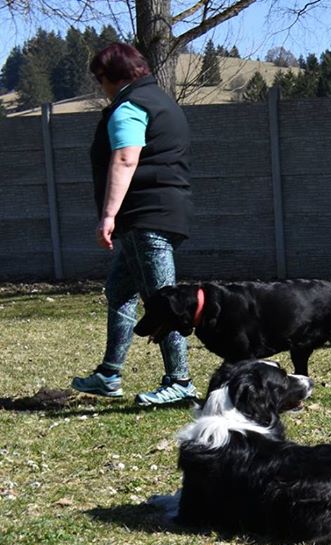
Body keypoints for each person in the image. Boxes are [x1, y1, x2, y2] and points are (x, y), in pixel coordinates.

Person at [71, 42, 197, 407]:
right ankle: (110, 373)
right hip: (162, 212)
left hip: (146, 215)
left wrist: (108, 215)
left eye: (100, 80)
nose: (100, 87)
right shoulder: (162, 101)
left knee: (164, 301)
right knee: (119, 290)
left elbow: (126, 159)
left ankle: (180, 381)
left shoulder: (131, 106)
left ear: (112, 77)